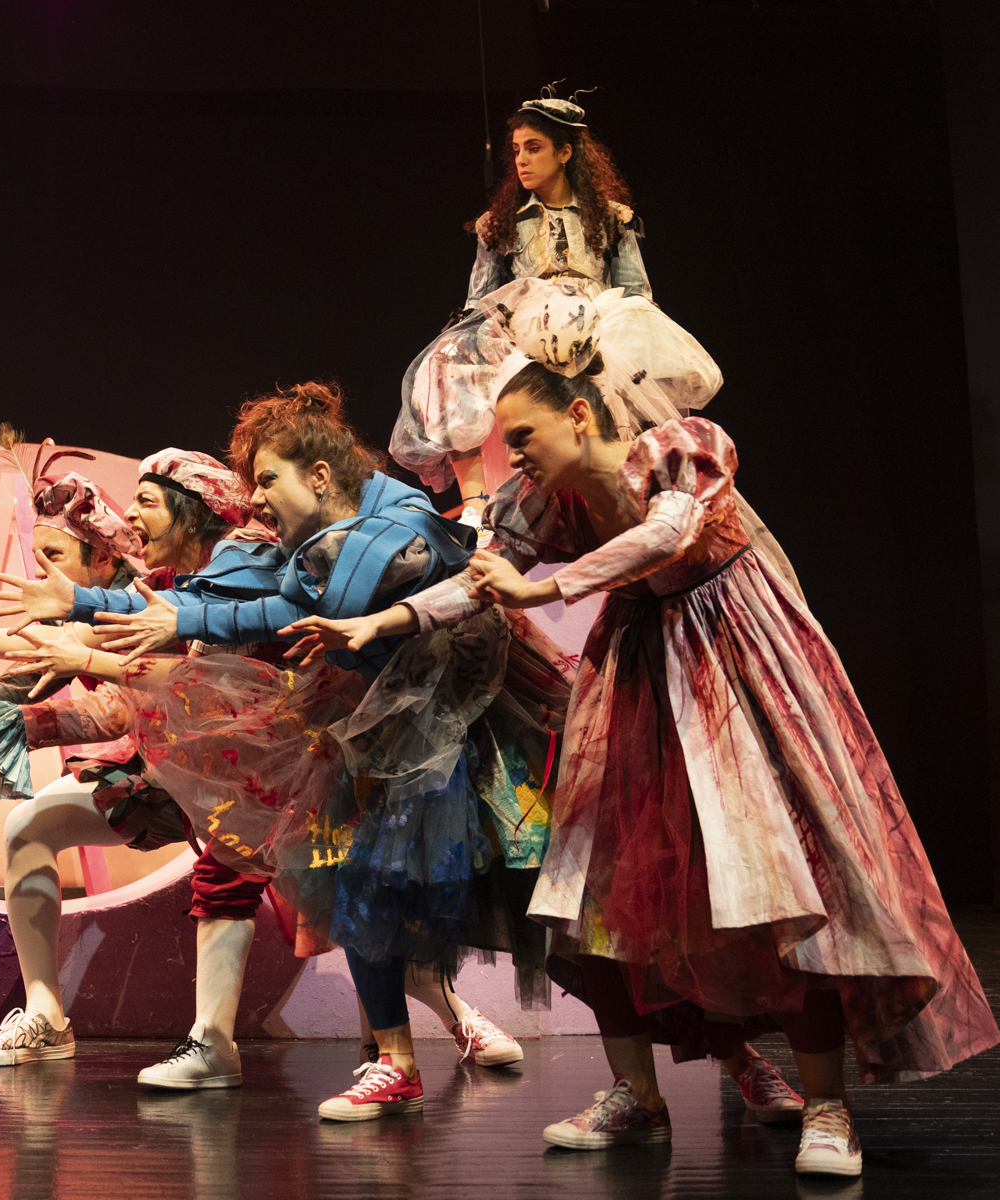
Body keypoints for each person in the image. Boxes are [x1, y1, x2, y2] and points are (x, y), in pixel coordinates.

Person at [296, 363, 999, 1175]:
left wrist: (546, 589)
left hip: (736, 661)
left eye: (523, 436)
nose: (512, 455)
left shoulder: (679, 449)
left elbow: (665, 536)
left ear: (580, 415)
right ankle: (637, 1096)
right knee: (596, 890)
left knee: (779, 880)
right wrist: (385, 621)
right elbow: (480, 583)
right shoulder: (542, 503)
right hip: (637, 674)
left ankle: (828, 1108)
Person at [0, 387, 567, 1119]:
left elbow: (296, 608)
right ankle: (394, 1061)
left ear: (320, 476)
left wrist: (96, 626)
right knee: (362, 888)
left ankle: (459, 1038)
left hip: (443, 715)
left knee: (476, 889)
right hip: (357, 724)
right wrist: (82, 605)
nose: (256, 497)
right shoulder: (296, 547)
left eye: (267, 479)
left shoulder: (389, 521)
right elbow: (254, 607)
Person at [0, 447, 287, 1089]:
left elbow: (114, 704)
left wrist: (2, 706)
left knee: (347, 910)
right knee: (31, 825)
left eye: (54, 557)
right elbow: (38, 667)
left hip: (259, 772)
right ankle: (48, 1017)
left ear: (102, 557)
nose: (40, 575)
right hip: (182, 768)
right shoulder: (167, 585)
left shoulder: (217, 577)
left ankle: (404, 1041)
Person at [391, 91, 718, 517]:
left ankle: (647, 484)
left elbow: (636, 291)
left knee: (642, 342)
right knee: (448, 359)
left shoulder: (611, 217)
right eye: (516, 151)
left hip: (598, 318)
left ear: (565, 152)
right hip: (527, 323)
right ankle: (475, 506)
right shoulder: (500, 222)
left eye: (534, 148)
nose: (522, 160)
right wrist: (483, 335)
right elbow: (479, 300)